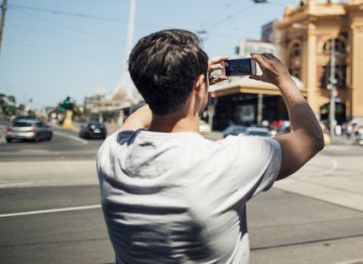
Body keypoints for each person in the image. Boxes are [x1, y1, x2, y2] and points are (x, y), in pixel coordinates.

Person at [96, 29, 324, 264]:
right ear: (199, 87)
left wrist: (190, 85)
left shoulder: (112, 152)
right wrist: (284, 80)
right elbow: (310, 138)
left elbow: (134, 120)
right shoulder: (227, 161)